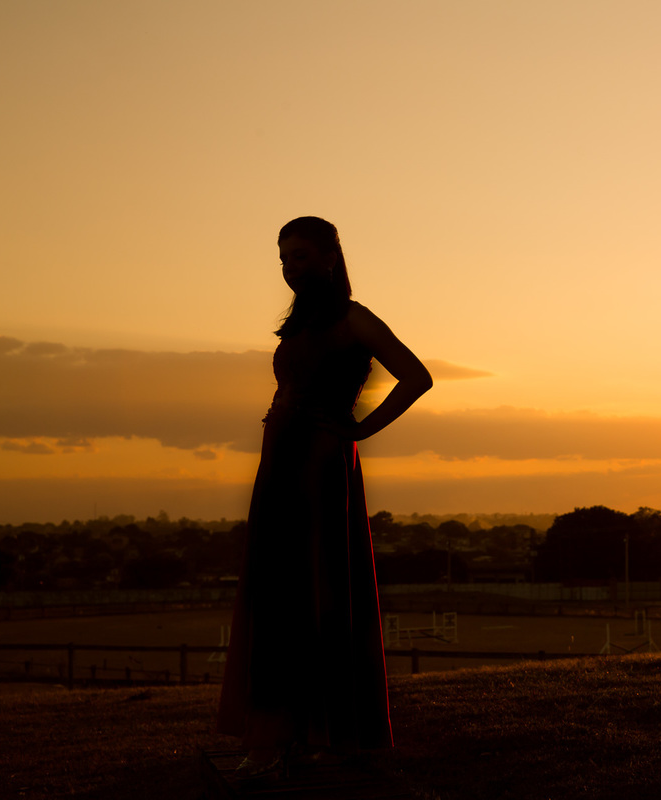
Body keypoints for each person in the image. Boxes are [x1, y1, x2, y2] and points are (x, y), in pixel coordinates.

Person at [216, 216, 432, 778]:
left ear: (331, 258)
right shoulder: (299, 324)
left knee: (318, 591)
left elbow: (416, 377)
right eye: (284, 259)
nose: (291, 268)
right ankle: (280, 736)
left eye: (302, 256)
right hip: (278, 464)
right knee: (276, 593)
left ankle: (322, 736)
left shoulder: (353, 319)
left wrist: (358, 430)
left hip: (318, 467)